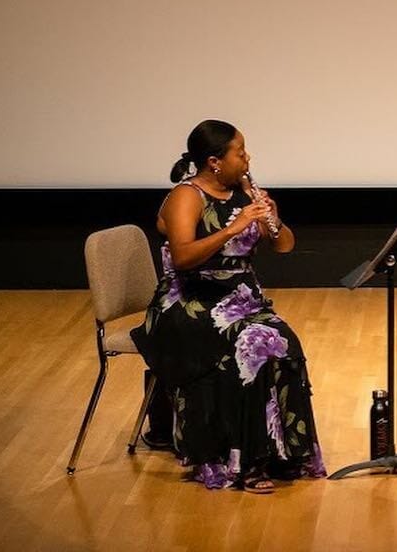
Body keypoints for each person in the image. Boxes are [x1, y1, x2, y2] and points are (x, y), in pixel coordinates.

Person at [131, 120, 325, 493]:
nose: (247, 158)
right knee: (248, 349)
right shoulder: (186, 197)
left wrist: (270, 217)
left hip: (239, 298)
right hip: (189, 302)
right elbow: (184, 257)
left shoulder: (246, 195)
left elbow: (284, 246)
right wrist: (233, 230)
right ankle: (244, 461)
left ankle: (283, 452)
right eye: (239, 151)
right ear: (214, 161)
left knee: (285, 342)